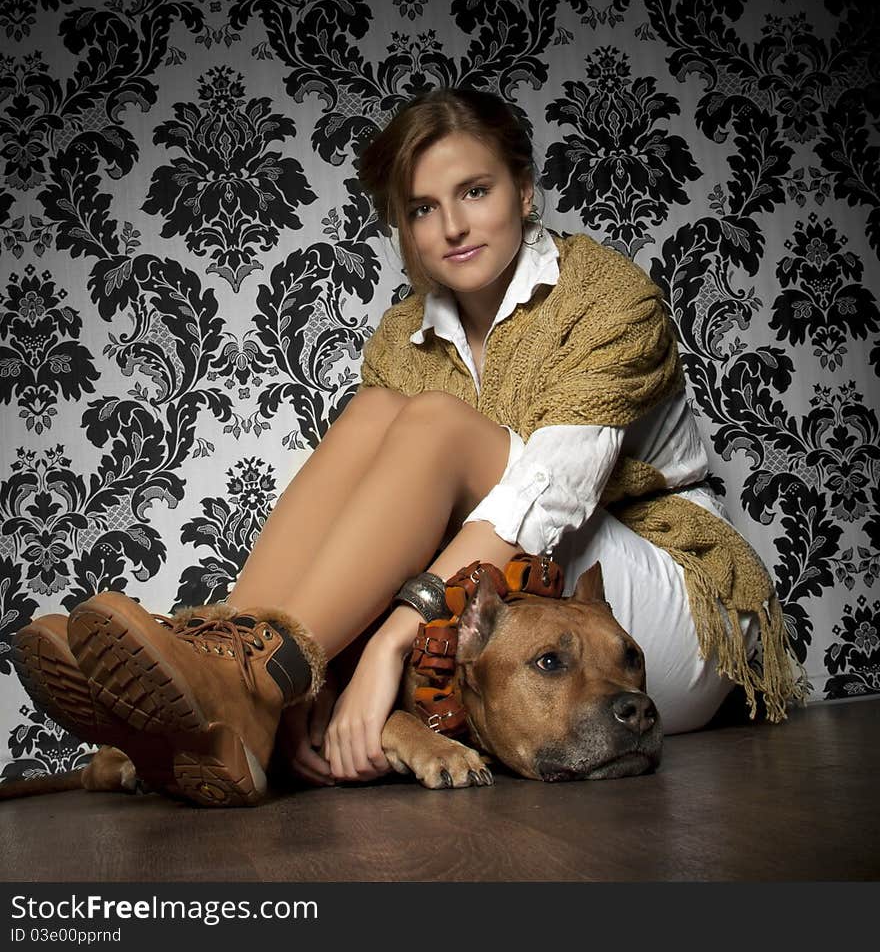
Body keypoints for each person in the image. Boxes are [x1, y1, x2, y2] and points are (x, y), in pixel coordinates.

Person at [13, 87, 805, 806]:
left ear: (524, 191)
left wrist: (391, 638)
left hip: (650, 606)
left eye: (475, 191)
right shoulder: (403, 334)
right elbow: (381, 533)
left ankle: (253, 679)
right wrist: (336, 666)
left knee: (429, 421)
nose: (452, 225)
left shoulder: (608, 295)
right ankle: (229, 657)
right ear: (404, 228)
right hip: (509, 605)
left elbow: (552, 492)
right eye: (424, 208)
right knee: (376, 413)